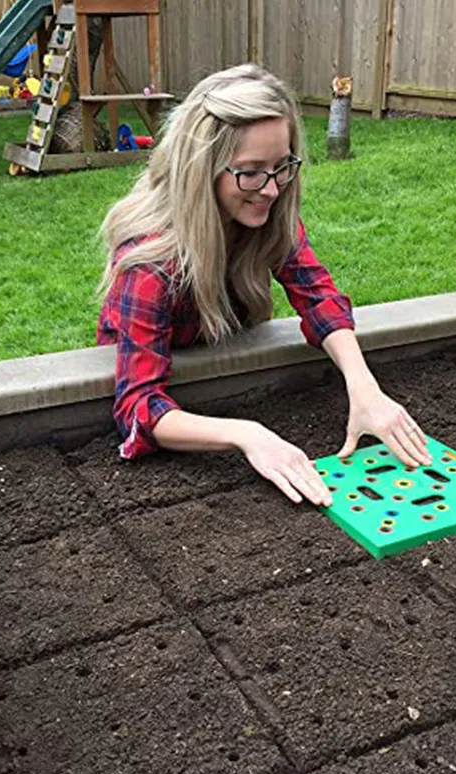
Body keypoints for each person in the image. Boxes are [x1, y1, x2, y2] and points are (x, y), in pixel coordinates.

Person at [97, 63, 431, 508]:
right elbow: (138, 406)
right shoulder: (151, 266)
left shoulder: (268, 216)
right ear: (201, 169)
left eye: (282, 166)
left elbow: (319, 298)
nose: (272, 190)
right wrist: (247, 434)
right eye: (251, 171)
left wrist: (364, 386)